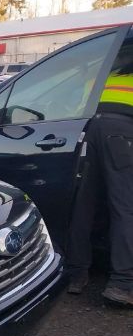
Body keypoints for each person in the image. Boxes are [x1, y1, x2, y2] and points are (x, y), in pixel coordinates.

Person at [66, 43, 133, 306]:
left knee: (85, 204)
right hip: (122, 135)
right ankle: (124, 283)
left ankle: (76, 273)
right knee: (125, 208)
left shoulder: (102, 74)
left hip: (92, 131)